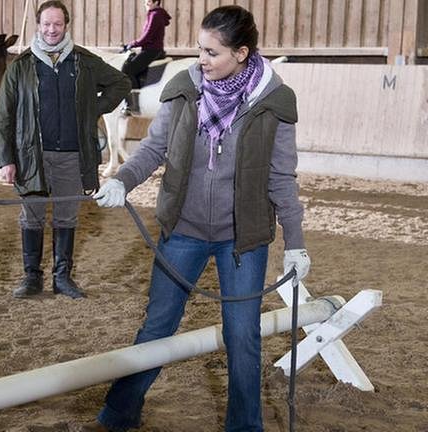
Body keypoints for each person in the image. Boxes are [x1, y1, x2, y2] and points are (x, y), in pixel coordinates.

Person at [88, 5, 310, 431]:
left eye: (212, 53)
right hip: (183, 232)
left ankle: (244, 427)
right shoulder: (183, 88)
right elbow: (154, 149)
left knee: (242, 337)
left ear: (242, 53)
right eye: (199, 50)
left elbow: (281, 177)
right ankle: (119, 413)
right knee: (158, 326)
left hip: (242, 241)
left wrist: (296, 242)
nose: (201, 61)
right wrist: (122, 180)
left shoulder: (275, 101)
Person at [0, 0, 130, 299]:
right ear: (39, 26)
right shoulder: (20, 67)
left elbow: (120, 83)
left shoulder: (83, 61)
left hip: (72, 156)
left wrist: (91, 109)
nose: (52, 29)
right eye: (47, 24)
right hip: (33, 158)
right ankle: (31, 278)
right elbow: (4, 116)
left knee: (67, 216)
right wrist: (6, 159)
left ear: (66, 26)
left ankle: (62, 277)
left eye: (58, 24)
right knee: (31, 217)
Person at [121, 0, 171, 115]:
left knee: (128, 69)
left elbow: (147, 36)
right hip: (151, 49)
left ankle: (132, 105)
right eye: (145, 2)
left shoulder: (156, 15)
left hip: (152, 51)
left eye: (148, 1)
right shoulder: (155, 14)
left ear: (156, 2)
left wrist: (131, 44)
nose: (146, 4)